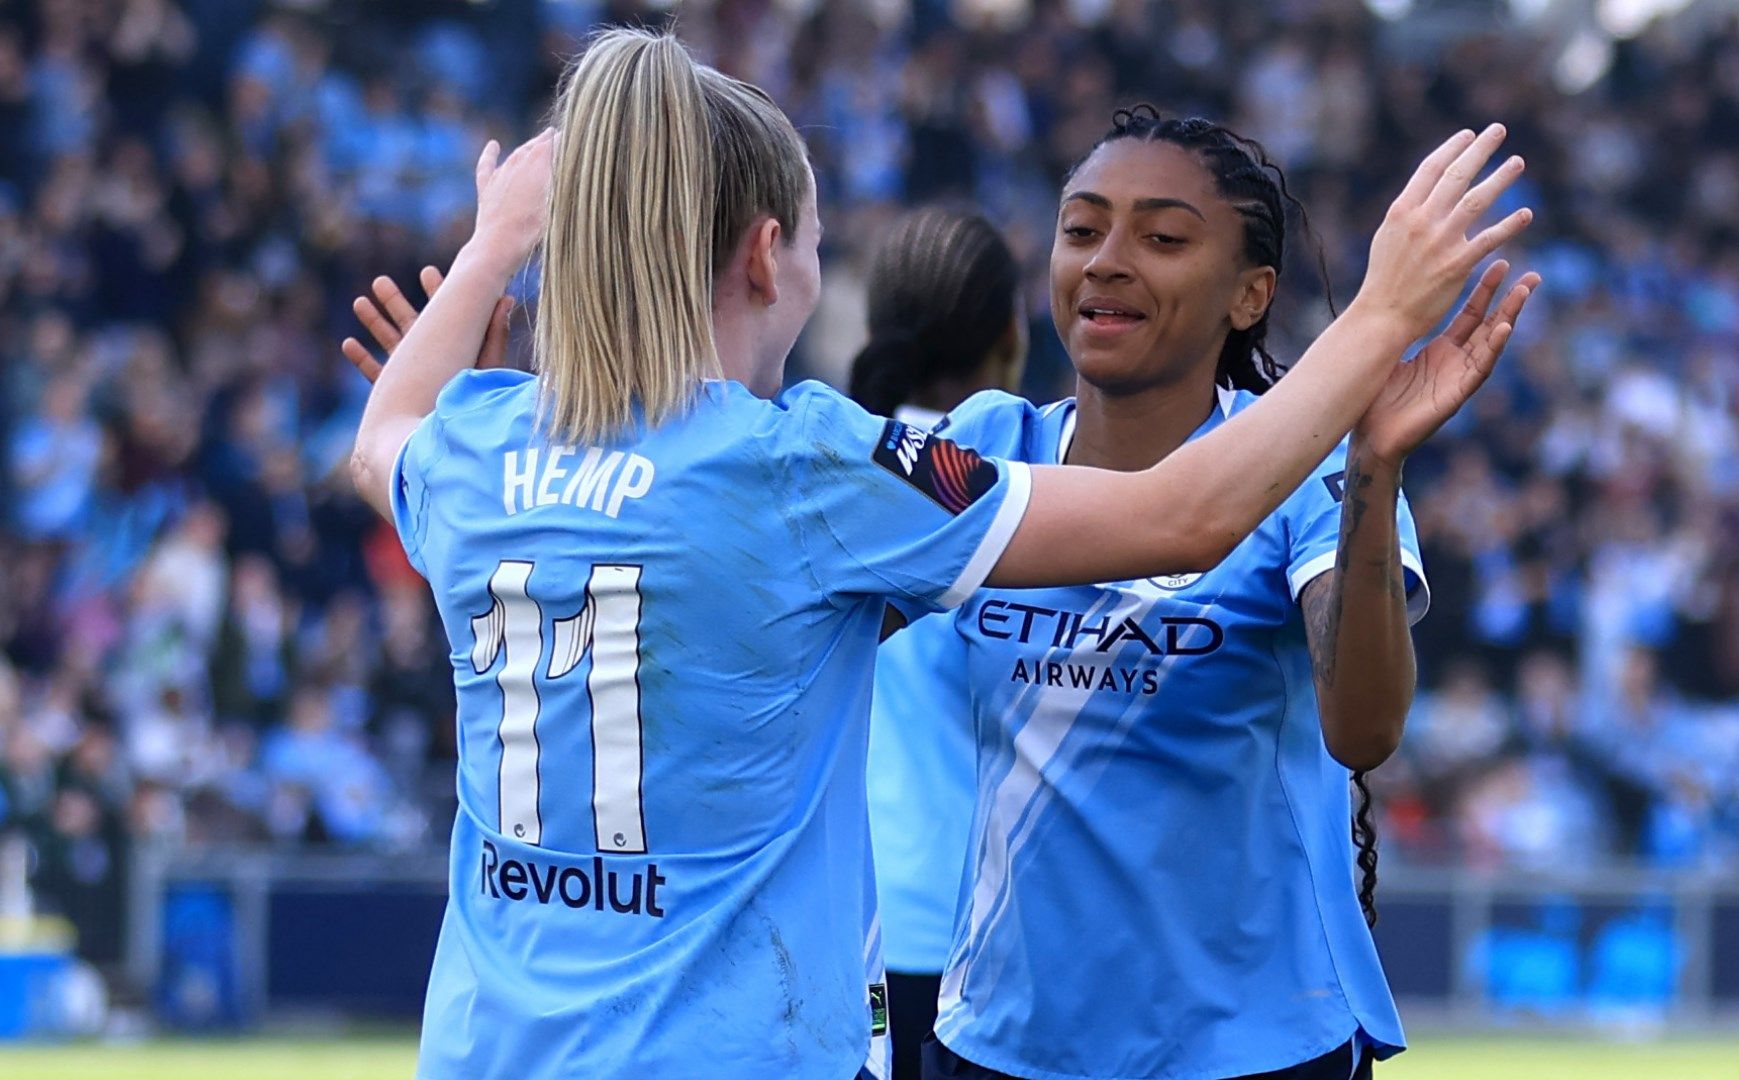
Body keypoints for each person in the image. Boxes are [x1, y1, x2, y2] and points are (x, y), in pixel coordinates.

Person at [343, 27, 1532, 1078]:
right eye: (818, 243)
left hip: (486, 1052)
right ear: (767, 255)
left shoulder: (478, 443)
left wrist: (496, 244)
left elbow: (380, 433)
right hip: (748, 1053)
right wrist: (1380, 319)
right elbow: (1184, 516)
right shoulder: (808, 471)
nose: (1108, 259)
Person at [887, 107, 1541, 1080]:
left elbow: (1365, 729)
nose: (1107, 261)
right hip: (999, 1045)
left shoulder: (1316, 477)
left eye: (1162, 238)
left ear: (1250, 294)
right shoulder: (982, 447)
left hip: (1251, 1051)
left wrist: (1376, 467)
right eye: (1082, 229)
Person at [848, 208, 1026, 1080]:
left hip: (851, 922)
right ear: (1010, 335)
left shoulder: (833, 472)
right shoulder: (1017, 494)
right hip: (981, 928)